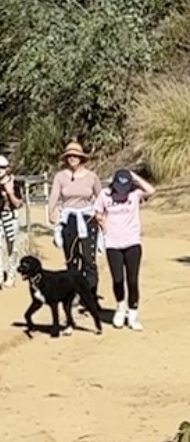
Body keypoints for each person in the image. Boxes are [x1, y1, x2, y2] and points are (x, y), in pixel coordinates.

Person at [96, 168, 154, 331]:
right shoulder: (105, 195)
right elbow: (98, 212)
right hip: (112, 244)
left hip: (132, 243)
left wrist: (133, 176)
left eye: (124, 188)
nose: (121, 192)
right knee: (118, 280)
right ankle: (120, 308)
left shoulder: (135, 194)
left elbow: (151, 190)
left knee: (132, 280)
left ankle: (133, 314)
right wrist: (101, 221)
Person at [47, 140, 102, 297]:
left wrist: (102, 216)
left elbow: (101, 197)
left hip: (87, 218)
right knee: (71, 257)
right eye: (69, 156)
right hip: (69, 218)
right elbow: (54, 196)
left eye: (75, 155)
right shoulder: (60, 177)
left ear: (81, 158)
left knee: (88, 258)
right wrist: (51, 212)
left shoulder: (91, 177)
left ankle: (90, 293)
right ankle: (73, 293)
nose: (72, 158)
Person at [0, 154, 23, 290]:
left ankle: (11, 275)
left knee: (12, 246)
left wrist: (10, 193)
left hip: (11, 216)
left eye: (2, 167)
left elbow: (18, 204)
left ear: (7, 168)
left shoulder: (14, 183)